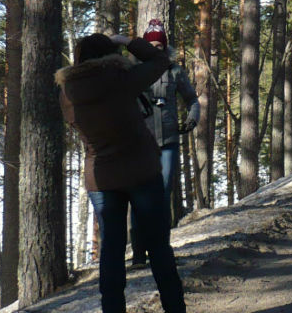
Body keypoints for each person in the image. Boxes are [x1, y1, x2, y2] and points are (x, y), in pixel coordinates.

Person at [57, 31, 186, 313]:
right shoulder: (121, 80)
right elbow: (161, 59)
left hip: (100, 178)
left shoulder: (67, 92)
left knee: (112, 252)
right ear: (110, 55)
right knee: (158, 247)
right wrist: (128, 41)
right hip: (141, 171)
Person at [131, 19, 200, 266]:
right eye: (152, 45)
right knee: (139, 196)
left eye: (160, 45)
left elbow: (192, 99)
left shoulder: (175, 71)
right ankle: (138, 253)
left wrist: (192, 119)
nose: (156, 49)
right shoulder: (133, 71)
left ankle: (161, 249)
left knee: (163, 194)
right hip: (140, 143)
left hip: (169, 141)